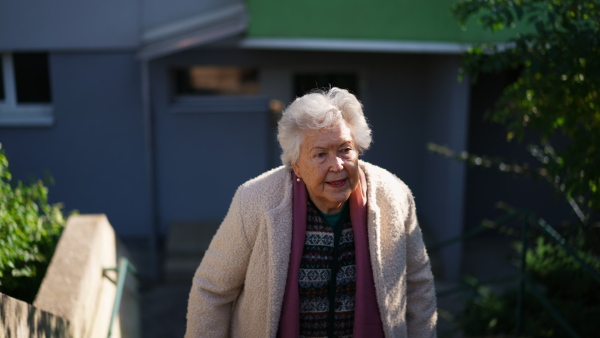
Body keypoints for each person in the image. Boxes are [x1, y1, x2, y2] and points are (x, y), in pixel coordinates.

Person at [185, 87, 437, 337]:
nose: (336, 165)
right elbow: (212, 290)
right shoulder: (255, 201)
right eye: (320, 154)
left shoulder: (394, 195)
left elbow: (418, 285)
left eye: (344, 149)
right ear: (295, 166)